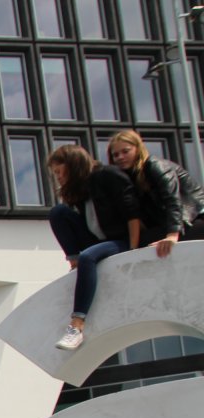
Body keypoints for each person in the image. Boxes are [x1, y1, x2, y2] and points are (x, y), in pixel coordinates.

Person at [46, 144, 147, 351]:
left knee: (88, 257)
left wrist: (134, 250)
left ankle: (77, 326)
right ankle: (75, 263)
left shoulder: (107, 175)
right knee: (58, 212)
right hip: (99, 240)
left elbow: (132, 214)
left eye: (59, 171)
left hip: (123, 241)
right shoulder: (80, 189)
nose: (57, 177)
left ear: (73, 166)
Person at [108, 129, 204, 252]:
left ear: (138, 149)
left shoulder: (155, 165)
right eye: (115, 155)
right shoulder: (129, 178)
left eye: (125, 151)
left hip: (196, 216)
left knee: (146, 241)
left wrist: (172, 235)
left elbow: (172, 199)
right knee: (143, 241)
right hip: (180, 222)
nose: (120, 157)